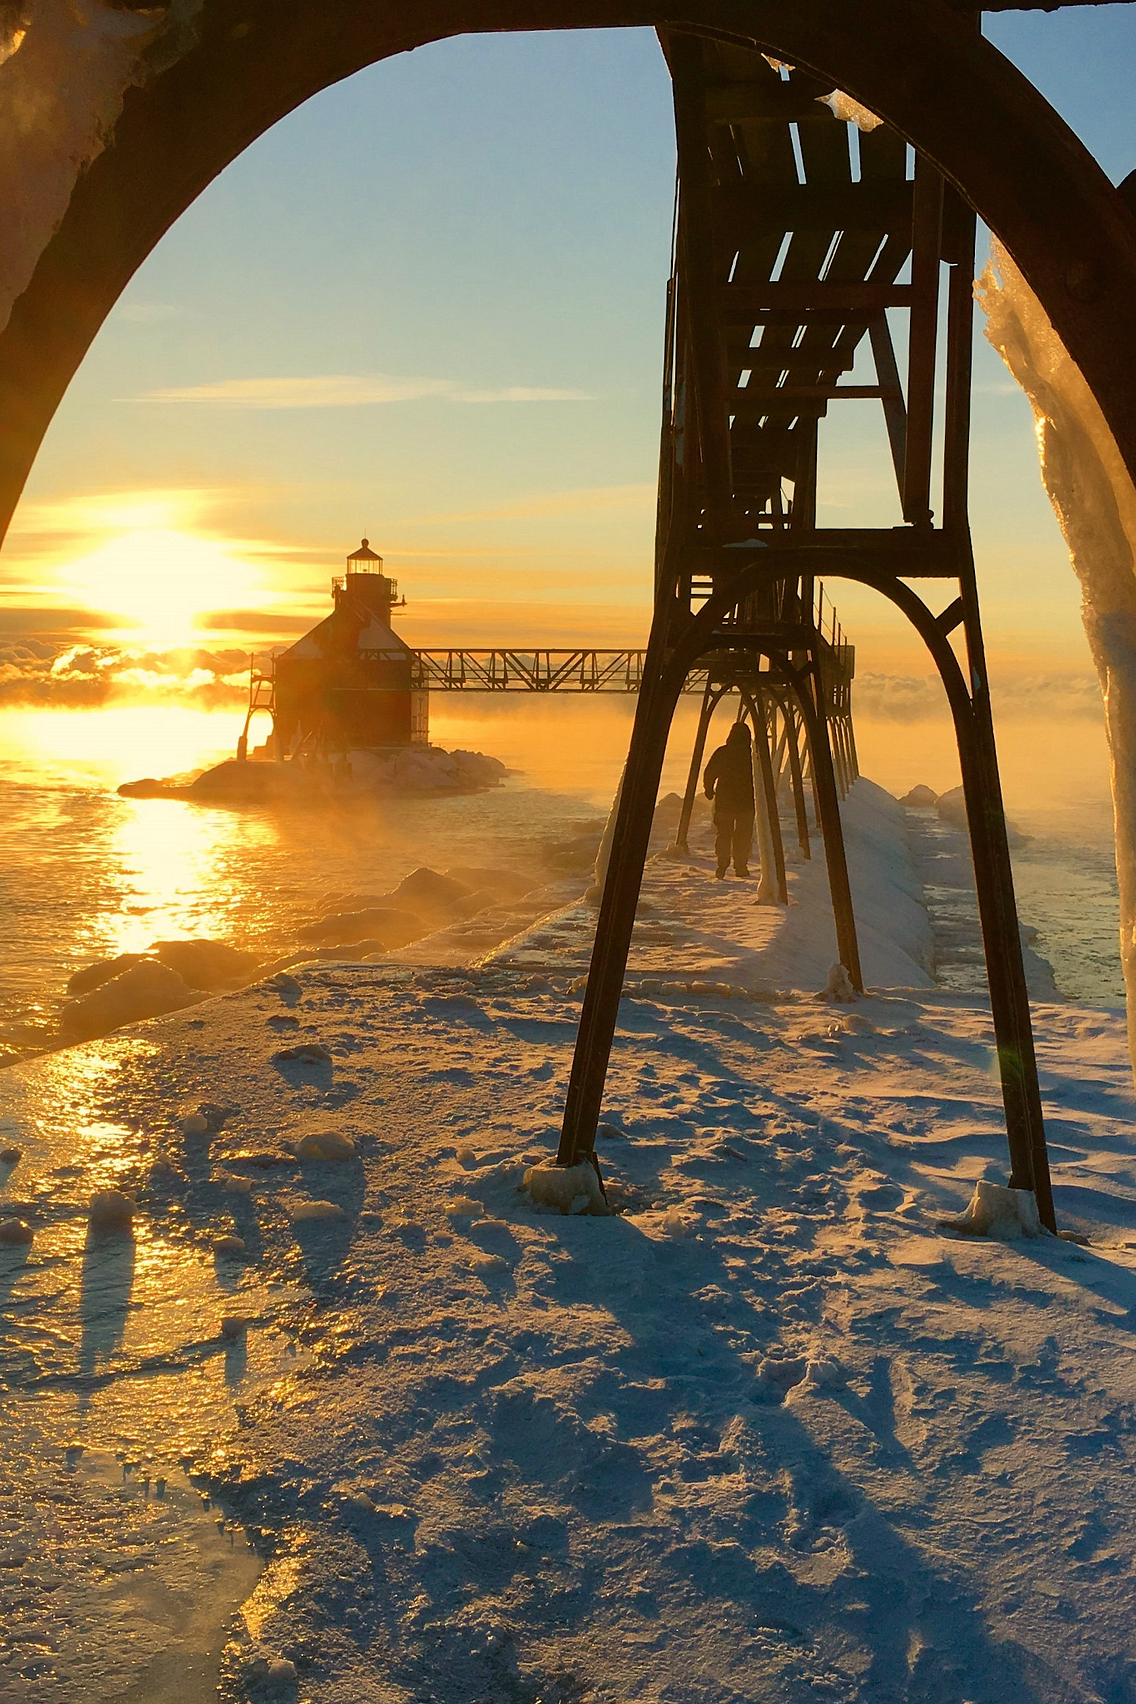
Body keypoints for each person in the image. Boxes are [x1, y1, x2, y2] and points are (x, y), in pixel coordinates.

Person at [703, 720, 755, 879]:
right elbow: (761, 777)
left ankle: (722, 865)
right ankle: (740, 866)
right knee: (743, 835)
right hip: (745, 802)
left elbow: (710, 772)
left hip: (724, 801)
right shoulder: (751, 754)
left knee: (724, 833)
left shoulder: (722, 752)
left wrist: (709, 789)